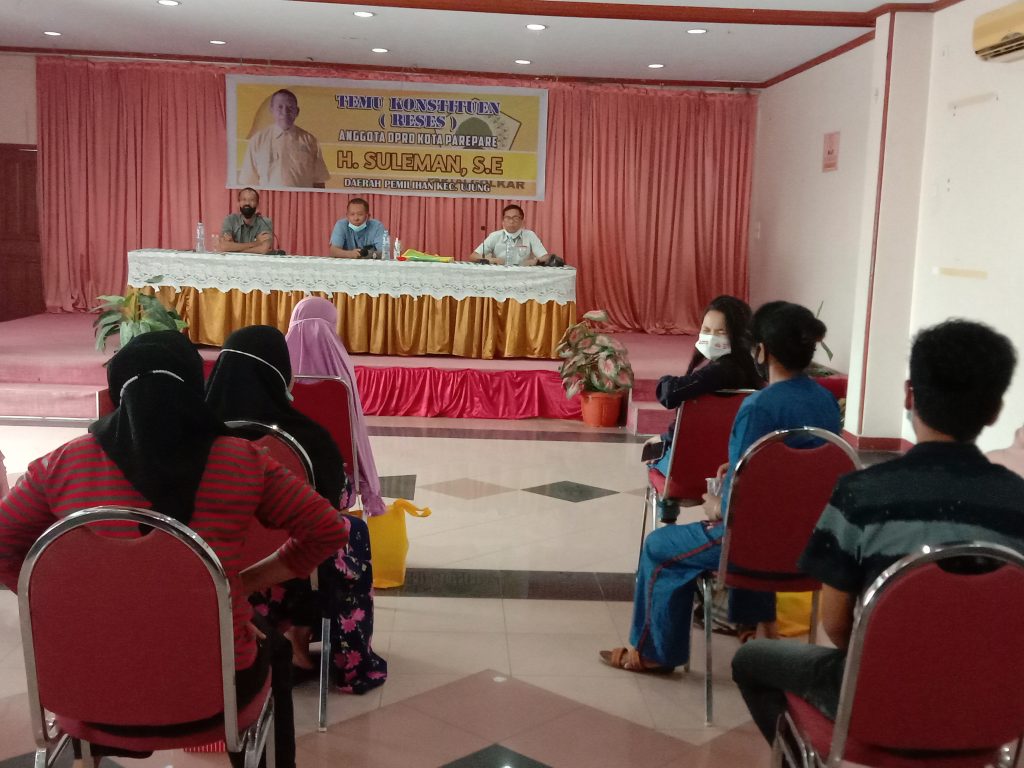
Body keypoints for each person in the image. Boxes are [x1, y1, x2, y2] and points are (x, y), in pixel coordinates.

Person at [0, 331, 349, 768]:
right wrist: (235, 588)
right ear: (195, 388)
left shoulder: (61, 464)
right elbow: (328, 529)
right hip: (214, 693)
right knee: (273, 650)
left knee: (122, 657)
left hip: (87, 689)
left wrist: (59, 602)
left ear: (118, 392)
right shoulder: (243, 461)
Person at [732, 319, 1024, 744]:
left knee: (752, 661)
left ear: (909, 395)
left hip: (876, 699)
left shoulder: (862, 493)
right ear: (995, 410)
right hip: (987, 707)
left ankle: (808, 753)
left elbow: (835, 623)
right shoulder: (1017, 501)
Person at [599, 302, 840, 673]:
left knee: (660, 547)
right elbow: (797, 472)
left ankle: (654, 654)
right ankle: (756, 626)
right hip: (810, 543)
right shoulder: (825, 402)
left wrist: (714, 502)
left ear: (762, 351)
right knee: (760, 528)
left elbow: (735, 510)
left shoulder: (758, 407)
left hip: (752, 542)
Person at [206, 325, 387, 694]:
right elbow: (338, 500)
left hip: (217, 563)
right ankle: (327, 653)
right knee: (346, 534)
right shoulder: (305, 435)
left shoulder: (199, 433)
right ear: (279, 373)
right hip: (293, 560)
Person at [647, 295, 762, 522]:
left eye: (720, 332)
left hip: (686, 471)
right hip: (733, 468)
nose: (710, 337)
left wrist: (665, 380)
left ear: (738, 335)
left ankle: (668, 514)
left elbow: (670, 394)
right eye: (706, 330)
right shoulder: (754, 374)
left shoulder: (718, 372)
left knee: (653, 452)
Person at [285, 296, 386, 518]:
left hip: (284, 472)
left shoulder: (278, 365)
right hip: (338, 475)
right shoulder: (341, 369)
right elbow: (354, 430)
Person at [238, 89, 330, 189]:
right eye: (280, 107)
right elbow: (249, 183)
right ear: (271, 109)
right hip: (269, 198)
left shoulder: (310, 141)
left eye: (290, 107)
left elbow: (319, 182)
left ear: (297, 111)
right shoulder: (257, 141)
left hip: (301, 199)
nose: (285, 112)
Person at [469, 204, 550, 265]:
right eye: (508, 218)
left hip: (523, 275)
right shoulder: (495, 236)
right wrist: (491, 260)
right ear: (502, 221)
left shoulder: (530, 235)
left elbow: (544, 257)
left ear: (522, 221)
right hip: (499, 275)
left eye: (515, 218)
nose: (511, 221)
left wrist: (536, 261)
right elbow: (473, 256)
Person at [215, 187, 274, 254]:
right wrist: (257, 243)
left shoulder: (265, 222)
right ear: (238, 203)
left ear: (257, 204)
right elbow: (224, 246)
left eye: (251, 200)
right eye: (244, 199)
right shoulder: (230, 220)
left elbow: (264, 249)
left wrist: (233, 248)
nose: (247, 203)